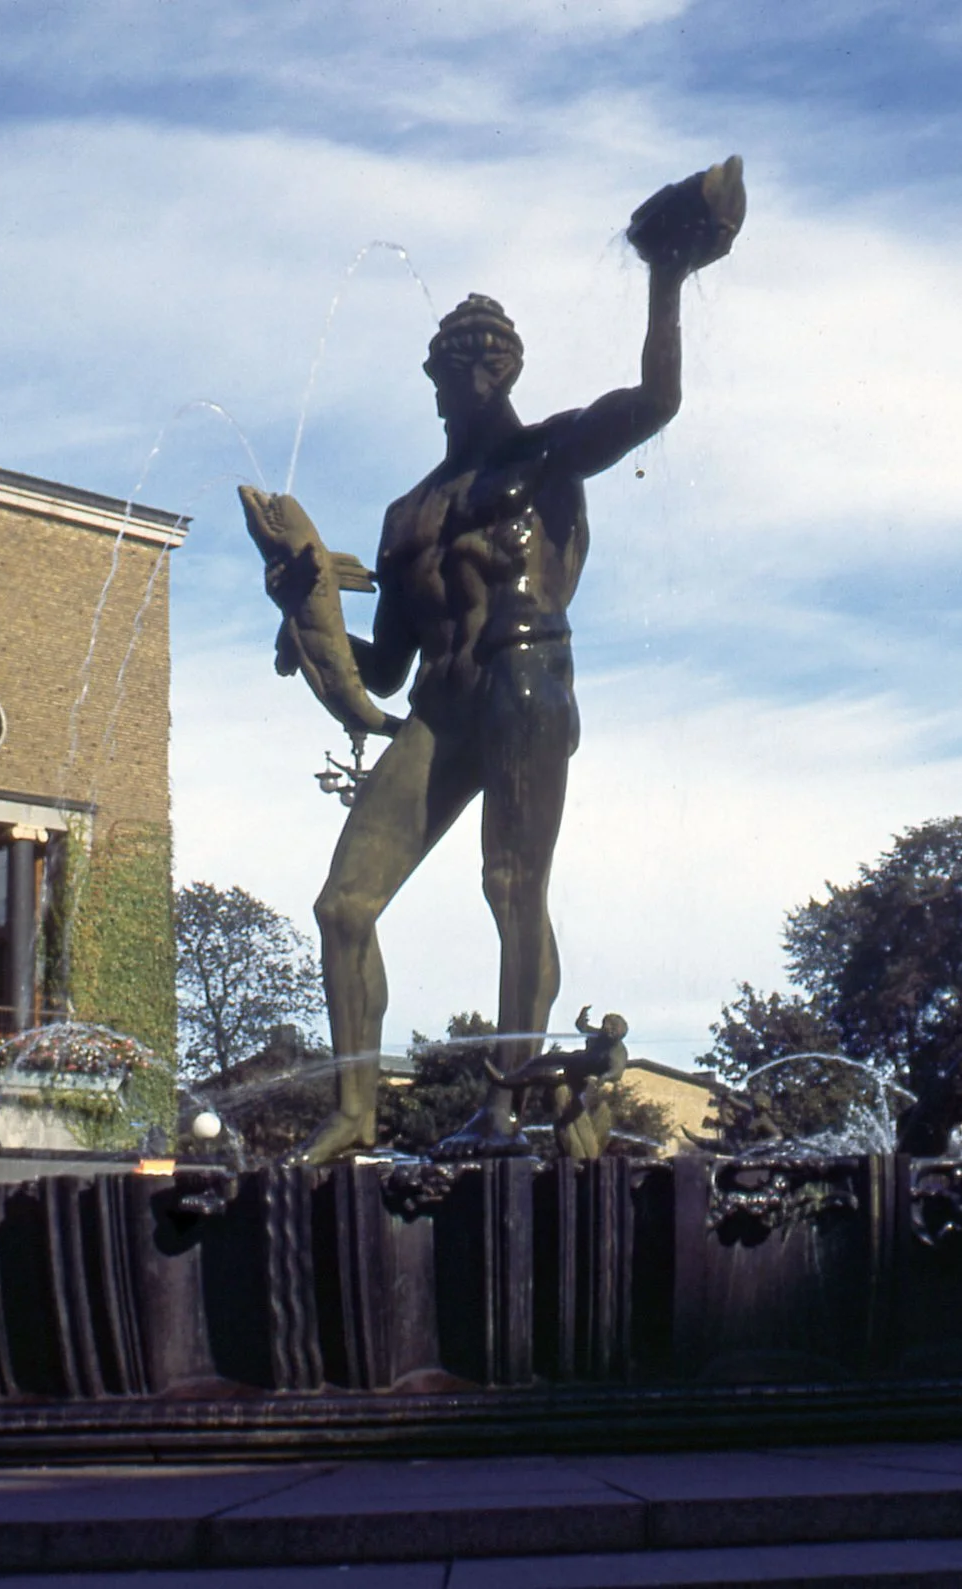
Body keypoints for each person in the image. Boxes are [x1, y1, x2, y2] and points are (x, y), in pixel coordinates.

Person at [284, 162, 743, 1163]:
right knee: (342, 904)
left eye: (492, 356)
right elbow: (388, 664)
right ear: (436, 377)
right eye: (460, 359)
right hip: (442, 706)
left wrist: (666, 277)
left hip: (526, 677)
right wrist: (303, 608)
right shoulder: (408, 513)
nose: (476, 373)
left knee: (508, 883)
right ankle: (354, 1109)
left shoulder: (548, 455)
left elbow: (658, 399)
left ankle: (506, 1101)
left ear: (514, 369)